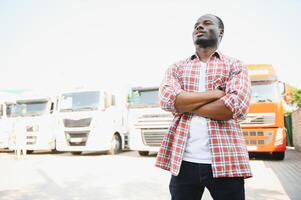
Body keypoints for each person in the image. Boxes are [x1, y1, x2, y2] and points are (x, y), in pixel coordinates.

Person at [156, 14, 252, 200]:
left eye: (206, 23)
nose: (199, 27)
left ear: (220, 32)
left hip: (227, 161)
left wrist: (183, 104)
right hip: (183, 162)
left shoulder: (235, 65)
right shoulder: (177, 67)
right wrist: (216, 94)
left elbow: (233, 108)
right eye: (196, 25)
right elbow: (167, 100)